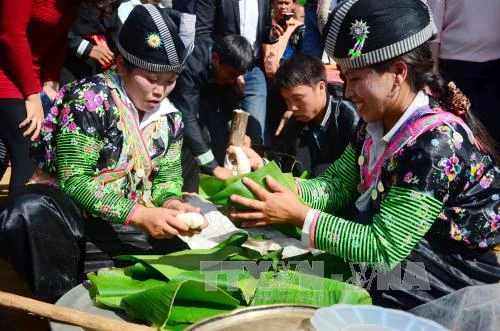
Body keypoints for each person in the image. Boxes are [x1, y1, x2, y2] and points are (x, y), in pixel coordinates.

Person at [230, 0, 499, 310]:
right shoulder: (373, 126)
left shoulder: (436, 144)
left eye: (355, 79)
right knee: (293, 271)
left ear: (398, 72)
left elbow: (384, 248)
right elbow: (336, 186)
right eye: (344, 79)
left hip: (451, 273)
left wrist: (299, 215)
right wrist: (272, 186)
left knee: (332, 285)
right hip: (409, 261)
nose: (347, 92)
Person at [0, 5, 206, 303]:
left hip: (126, 223)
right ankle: (60, 303)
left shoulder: (170, 118)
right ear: (122, 65)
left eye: (169, 81)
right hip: (71, 223)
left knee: (192, 274)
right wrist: (140, 215)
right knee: (26, 210)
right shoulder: (88, 98)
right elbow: (75, 182)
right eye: (151, 79)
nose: (160, 91)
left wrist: (173, 204)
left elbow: (167, 181)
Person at [232, 54, 359, 179]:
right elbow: (280, 162)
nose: (292, 107)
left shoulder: (347, 116)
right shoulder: (295, 123)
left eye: (297, 98)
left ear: (321, 87)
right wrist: (259, 162)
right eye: (287, 101)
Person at [169, 35, 254, 190]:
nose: (232, 81)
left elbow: (229, 107)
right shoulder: (191, 65)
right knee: (191, 140)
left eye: (237, 76)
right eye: (230, 75)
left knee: (214, 135)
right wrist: (212, 167)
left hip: (205, 101)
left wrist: (240, 134)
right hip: (178, 111)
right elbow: (186, 117)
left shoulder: (227, 69)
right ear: (215, 58)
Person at [195, 0, 283, 146]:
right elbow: (202, 33)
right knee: (219, 132)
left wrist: (272, 34)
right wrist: (233, 69)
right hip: (221, 70)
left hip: (254, 69)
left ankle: (254, 166)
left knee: (255, 132)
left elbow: (264, 30)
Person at [428, 0, 500, 143]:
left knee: (494, 131)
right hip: (455, 68)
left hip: (495, 68)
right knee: (461, 134)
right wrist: (433, 74)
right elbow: (433, 25)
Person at [262, 0, 305, 80]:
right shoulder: (264, 27)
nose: (283, 7)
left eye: (286, 3)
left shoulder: (300, 28)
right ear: (272, 4)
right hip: (265, 79)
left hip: (291, 79)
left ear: (293, 5)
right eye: (280, 3)